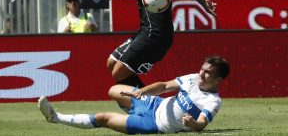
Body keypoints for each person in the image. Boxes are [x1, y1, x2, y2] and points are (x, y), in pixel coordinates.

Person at [38, 56, 230, 134]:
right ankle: (132, 111)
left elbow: (202, 124)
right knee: (113, 91)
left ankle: (55, 118)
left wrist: (193, 124)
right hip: (154, 104)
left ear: (219, 80)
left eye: (207, 73)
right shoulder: (192, 78)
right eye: (202, 69)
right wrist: (141, 92)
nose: (201, 74)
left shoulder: (213, 101)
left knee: (103, 118)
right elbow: (163, 86)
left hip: (153, 124)